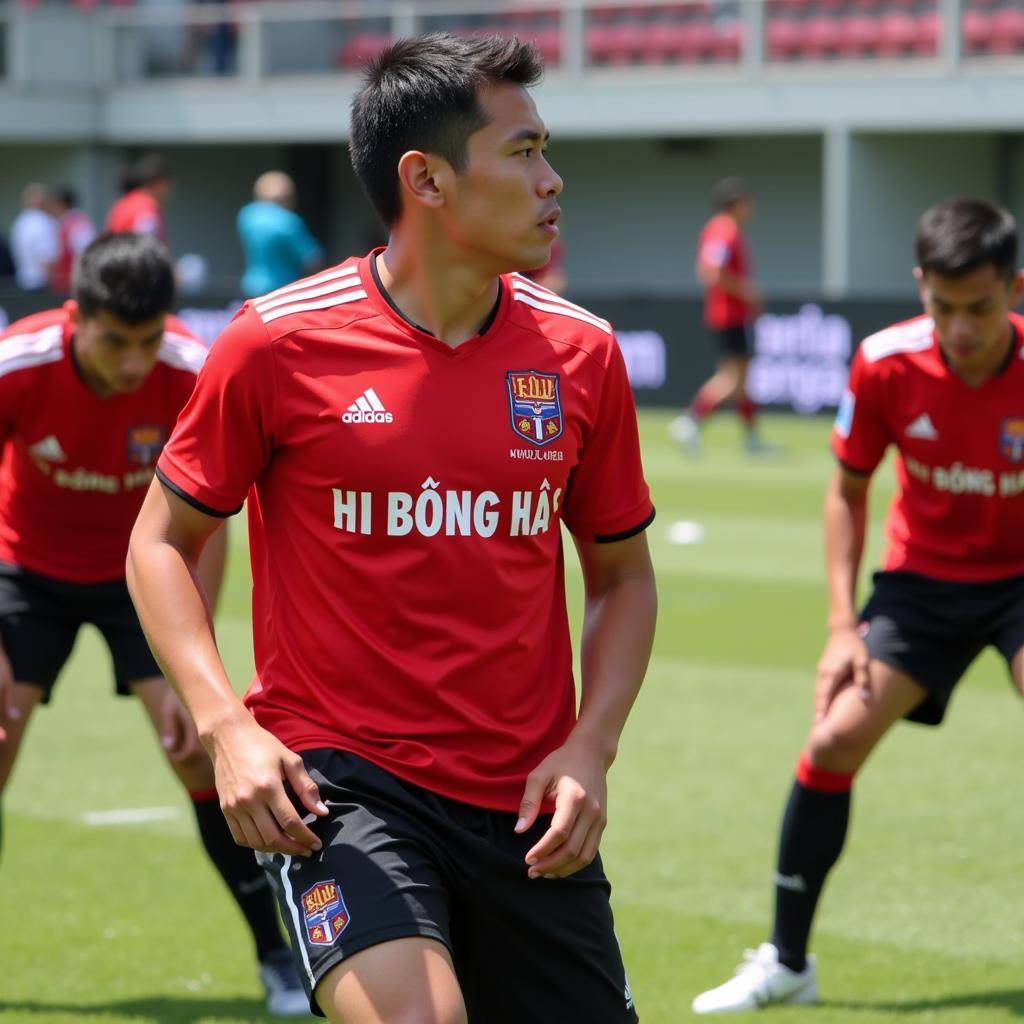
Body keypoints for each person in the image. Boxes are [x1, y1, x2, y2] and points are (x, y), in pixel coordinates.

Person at [127, 31, 657, 1024]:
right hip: (340, 788)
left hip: (526, 804)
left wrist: (592, 745)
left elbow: (622, 576)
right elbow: (159, 539)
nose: (551, 180)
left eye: (546, 149)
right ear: (427, 179)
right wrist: (225, 724)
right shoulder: (274, 341)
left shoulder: (582, 354)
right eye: (521, 151)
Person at [692, 197, 1024, 1014]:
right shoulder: (884, 362)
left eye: (980, 308)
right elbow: (847, 491)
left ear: (1014, 289)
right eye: (942, 308)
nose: (960, 328)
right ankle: (789, 961)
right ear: (920, 288)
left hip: (1021, 578)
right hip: (921, 584)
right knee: (834, 738)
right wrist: (842, 627)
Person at [0, 232, 307, 1017]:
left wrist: (189, 665)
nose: (133, 364)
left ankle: (279, 958)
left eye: (146, 342)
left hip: (140, 575)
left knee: (205, 761)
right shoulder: (18, 361)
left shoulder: (194, 369)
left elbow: (207, 523)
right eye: (113, 343)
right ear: (76, 317)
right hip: (21, 568)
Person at [670, 176, 769, 455]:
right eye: (747, 202)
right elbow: (711, 270)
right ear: (736, 203)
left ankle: (751, 439)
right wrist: (746, 292)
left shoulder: (728, 230)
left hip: (733, 315)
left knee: (742, 378)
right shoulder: (724, 230)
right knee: (732, 378)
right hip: (729, 315)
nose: (751, 207)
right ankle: (691, 420)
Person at [236, 170, 324, 297]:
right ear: (287, 196)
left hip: (251, 287)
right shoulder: (288, 220)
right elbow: (313, 259)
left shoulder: (247, 215)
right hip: (282, 290)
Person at [105, 154, 173, 244]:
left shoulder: (126, 202)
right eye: (168, 184)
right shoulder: (146, 209)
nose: (171, 189)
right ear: (158, 183)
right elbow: (146, 250)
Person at [47, 185, 97, 295]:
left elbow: (85, 254)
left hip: (72, 287)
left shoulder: (76, 223)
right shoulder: (67, 222)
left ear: (61, 203)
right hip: (68, 286)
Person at [9, 183, 59, 292]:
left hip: (23, 281)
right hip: (41, 284)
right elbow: (46, 257)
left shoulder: (20, 222)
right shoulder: (41, 221)